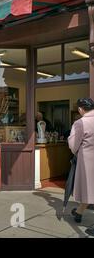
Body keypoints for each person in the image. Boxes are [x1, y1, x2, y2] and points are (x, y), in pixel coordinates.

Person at [68, 98, 94, 236]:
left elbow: (73, 145)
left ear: (80, 109)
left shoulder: (80, 123)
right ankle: (78, 212)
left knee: (88, 187)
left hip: (88, 161)